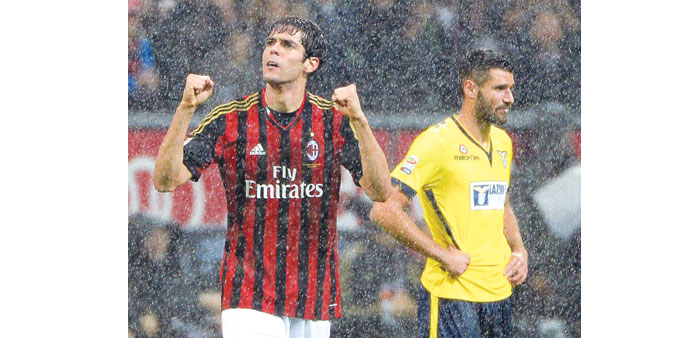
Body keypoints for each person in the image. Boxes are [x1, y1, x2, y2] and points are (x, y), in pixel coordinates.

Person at [153, 17, 392, 338]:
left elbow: (380, 191)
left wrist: (360, 121)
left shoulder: (333, 121)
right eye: (270, 43)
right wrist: (185, 109)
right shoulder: (231, 119)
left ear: (311, 63)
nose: (273, 51)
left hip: (313, 293)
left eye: (287, 45)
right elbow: (165, 181)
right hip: (248, 291)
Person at [370, 49, 529, 337]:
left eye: (511, 89)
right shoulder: (437, 142)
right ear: (470, 88)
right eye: (500, 89)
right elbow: (383, 210)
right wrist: (442, 255)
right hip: (453, 297)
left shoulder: (503, 142)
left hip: (500, 294)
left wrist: (519, 250)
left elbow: (501, 204)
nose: (510, 98)